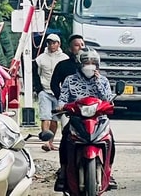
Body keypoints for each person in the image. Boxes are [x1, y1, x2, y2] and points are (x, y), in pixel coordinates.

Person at [55, 48, 117, 191]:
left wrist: (98, 82)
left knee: (111, 140)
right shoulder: (70, 80)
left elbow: (108, 100)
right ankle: (63, 171)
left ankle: (109, 170)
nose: (89, 65)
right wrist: (61, 107)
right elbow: (62, 99)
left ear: (97, 64)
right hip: (77, 118)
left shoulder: (103, 80)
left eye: (92, 62)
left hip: (99, 119)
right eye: (86, 62)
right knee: (65, 138)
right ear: (80, 64)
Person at [33, 34, 69, 151]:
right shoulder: (40, 59)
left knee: (55, 119)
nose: (52, 45)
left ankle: (50, 142)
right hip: (45, 91)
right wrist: (39, 89)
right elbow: (36, 74)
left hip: (59, 93)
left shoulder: (64, 58)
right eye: (49, 43)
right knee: (45, 116)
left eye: (54, 43)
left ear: (59, 44)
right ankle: (45, 141)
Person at [51, 34, 87, 98]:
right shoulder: (62, 65)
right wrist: (62, 98)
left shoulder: (91, 65)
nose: (81, 48)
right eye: (77, 45)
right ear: (70, 49)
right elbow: (54, 84)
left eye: (82, 45)